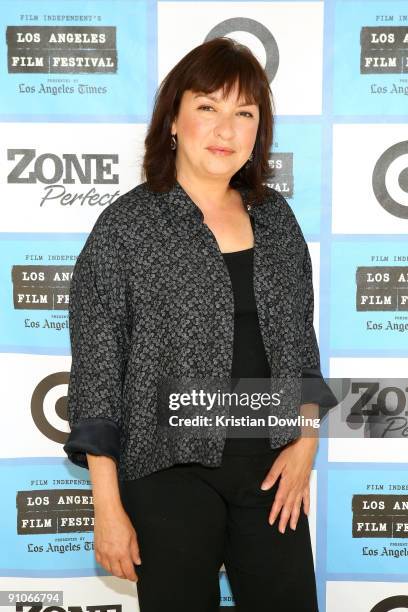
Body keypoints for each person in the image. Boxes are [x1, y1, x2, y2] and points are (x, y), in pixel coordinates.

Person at [63, 37, 337, 611]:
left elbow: (300, 347)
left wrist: (305, 444)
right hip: (164, 470)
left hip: (269, 466)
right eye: (208, 107)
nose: (226, 129)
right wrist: (106, 508)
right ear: (173, 120)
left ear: (258, 131)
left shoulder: (277, 218)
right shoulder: (125, 228)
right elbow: (97, 376)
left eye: (245, 114)